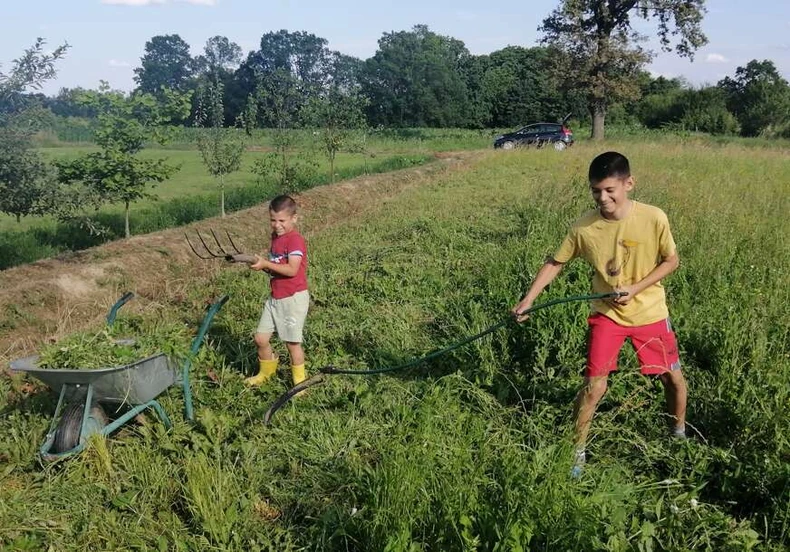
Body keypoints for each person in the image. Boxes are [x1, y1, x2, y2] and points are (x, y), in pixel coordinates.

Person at [511, 151, 688, 475]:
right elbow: (556, 262)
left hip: (650, 313)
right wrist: (528, 300)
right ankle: (577, 452)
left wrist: (636, 289)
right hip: (607, 315)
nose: (602, 198)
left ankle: (678, 435)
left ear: (629, 184)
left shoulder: (654, 218)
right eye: (596, 191)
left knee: (672, 379)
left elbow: (671, 261)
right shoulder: (583, 227)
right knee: (594, 386)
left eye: (609, 190)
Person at [245, 194, 310, 388]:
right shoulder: (276, 238)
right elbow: (276, 266)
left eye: (282, 220)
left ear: (294, 218)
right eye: (273, 220)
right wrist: (262, 265)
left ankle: (300, 383)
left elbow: (291, 270)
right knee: (260, 338)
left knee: (292, 344)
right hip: (276, 297)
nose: (277, 225)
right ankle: (266, 372)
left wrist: (266, 263)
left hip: (292, 298)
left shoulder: (294, 240)